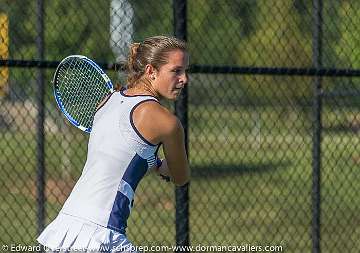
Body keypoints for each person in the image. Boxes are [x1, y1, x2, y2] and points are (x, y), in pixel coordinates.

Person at [37, 35, 190, 252]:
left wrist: (153, 162)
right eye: (176, 71)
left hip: (64, 229)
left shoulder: (107, 101)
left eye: (185, 71)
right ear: (150, 71)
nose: (185, 79)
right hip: (101, 235)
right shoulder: (166, 122)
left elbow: (124, 153)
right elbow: (181, 176)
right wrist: (164, 166)